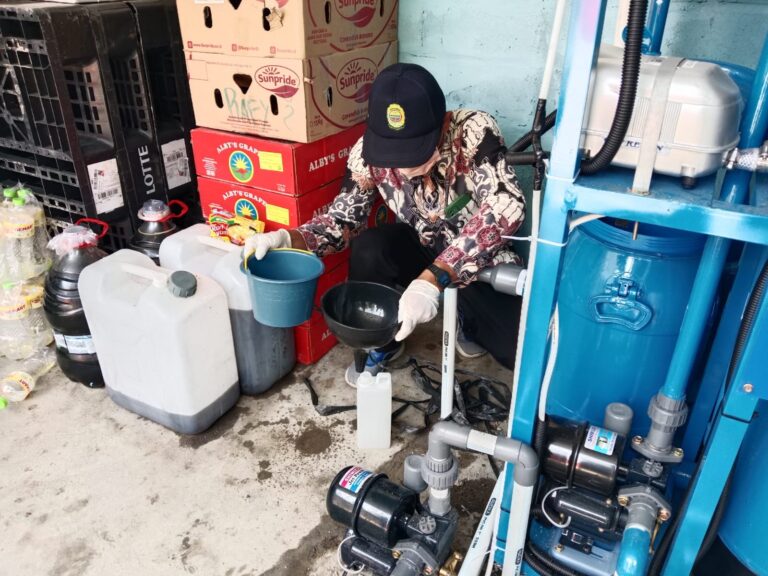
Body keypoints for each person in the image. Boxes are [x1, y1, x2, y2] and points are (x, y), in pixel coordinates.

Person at [246, 63, 526, 386]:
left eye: (412, 152)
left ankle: (466, 317)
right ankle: (383, 341)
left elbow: (508, 205)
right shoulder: (366, 154)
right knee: (369, 248)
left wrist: (433, 279)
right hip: (421, 243)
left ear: (442, 123)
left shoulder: (475, 130)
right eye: (393, 153)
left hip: (476, 260)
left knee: (514, 350)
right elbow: (341, 221)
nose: (402, 167)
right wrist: (288, 240)